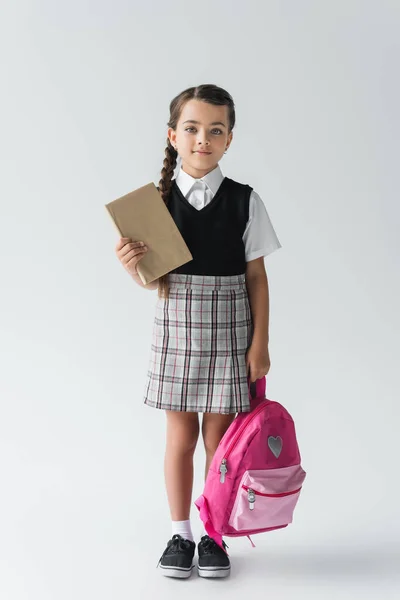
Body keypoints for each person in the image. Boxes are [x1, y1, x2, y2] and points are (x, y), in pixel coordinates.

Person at [115, 84, 282, 579]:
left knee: (221, 439)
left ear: (230, 139)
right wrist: (132, 268)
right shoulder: (155, 203)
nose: (202, 139)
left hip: (232, 331)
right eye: (191, 129)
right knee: (180, 436)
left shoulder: (244, 201)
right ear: (173, 136)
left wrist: (261, 343)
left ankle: (214, 534)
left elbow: (256, 276)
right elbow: (156, 279)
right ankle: (180, 533)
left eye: (215, 130)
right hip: (177, 330)